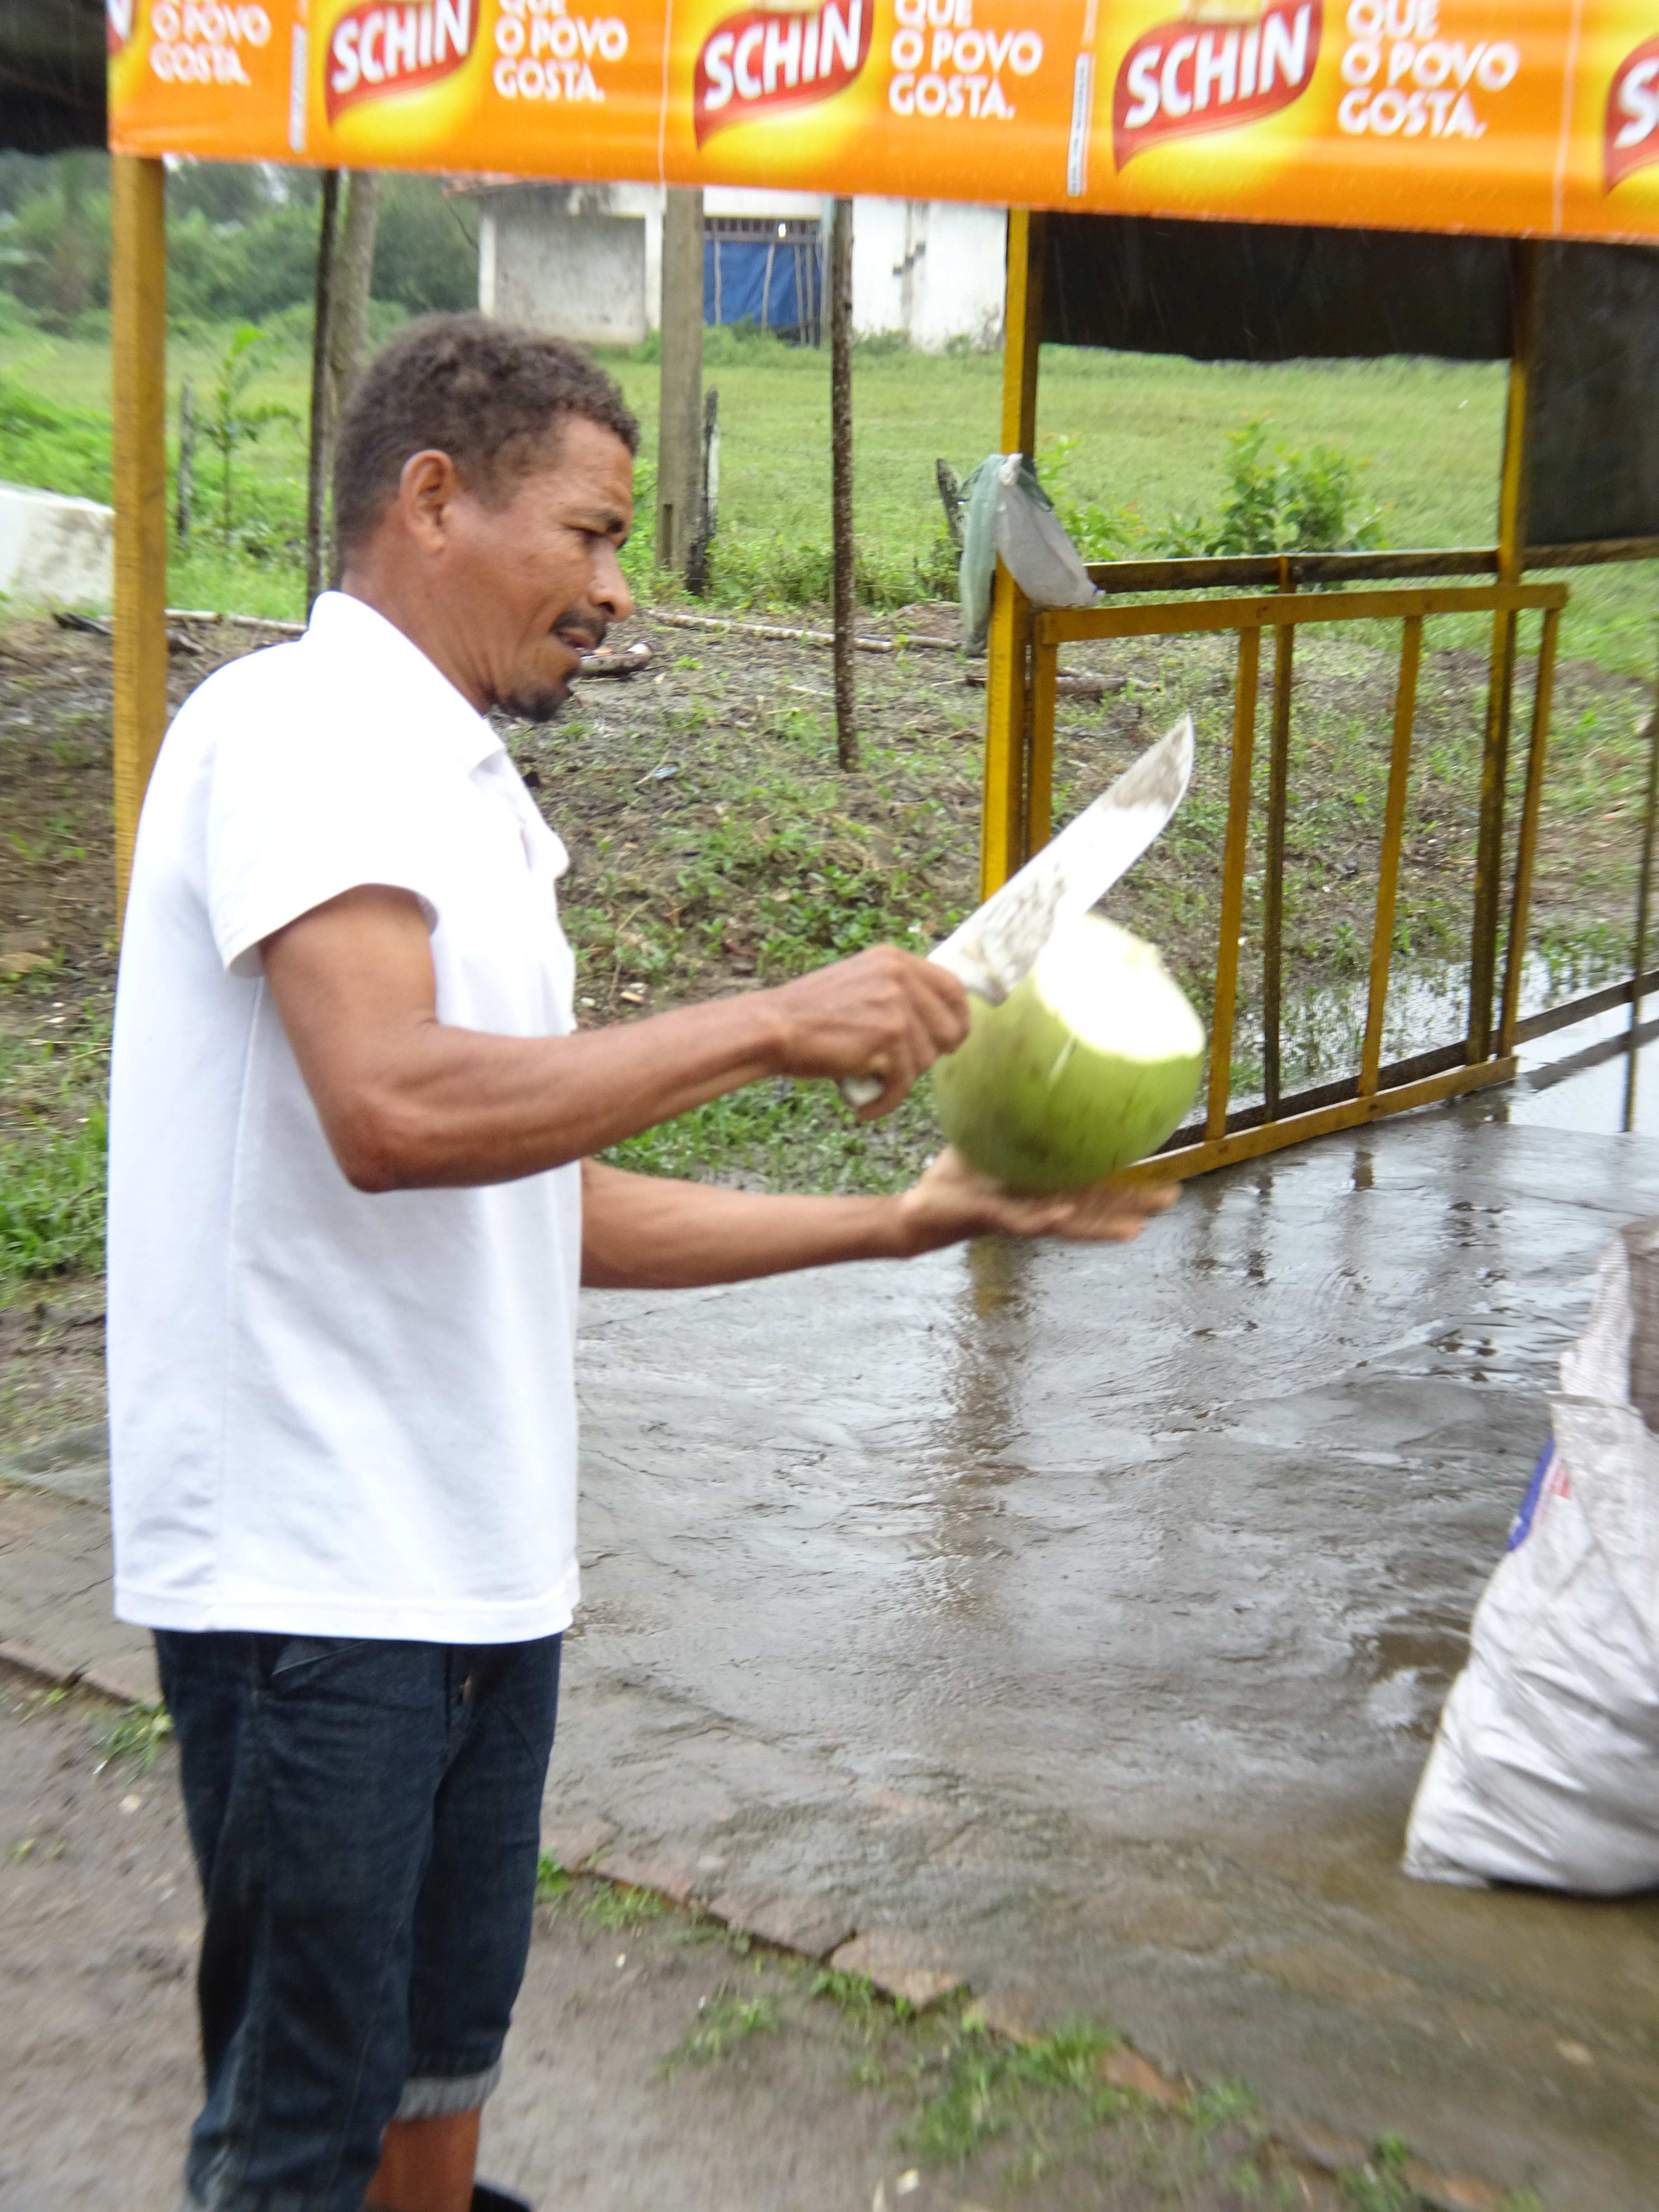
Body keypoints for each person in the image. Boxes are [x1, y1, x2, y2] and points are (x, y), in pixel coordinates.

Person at [107, 314, 1176, 2212]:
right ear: (433, 500)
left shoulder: (475, 809)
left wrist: (908, 1221)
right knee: (302, 2143)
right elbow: (397, 1110)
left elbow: (544, 1206)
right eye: (590, 536)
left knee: (436, 2106)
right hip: (315, 1579)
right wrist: (768, 1022)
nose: (616, 588)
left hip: (475, 1576)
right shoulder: (296, 731)